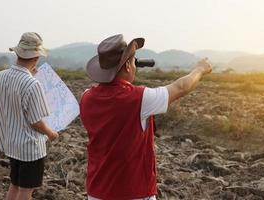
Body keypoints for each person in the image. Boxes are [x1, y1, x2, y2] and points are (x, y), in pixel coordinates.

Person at [80, 34, 212, 200]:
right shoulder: (139, 99)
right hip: (133, 192)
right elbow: (181, 87)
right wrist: (200, 69)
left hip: (97, 192)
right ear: (128, 66)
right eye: (133, 61)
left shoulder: (86, 97)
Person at [0, 32, 59, 200]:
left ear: (17, 53)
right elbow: (36, 121)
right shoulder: (32, 84)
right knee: (26, 191)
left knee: (15, 185)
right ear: (36, 57)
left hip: (11, 142)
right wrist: (51, 133)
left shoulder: (1, 77)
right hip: (30, 147)